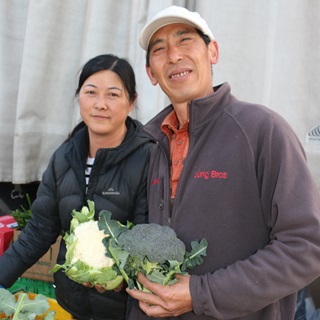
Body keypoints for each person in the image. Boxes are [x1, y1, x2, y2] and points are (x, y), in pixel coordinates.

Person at [126, 5, 320, 320]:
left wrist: (199, 294)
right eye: (159, 50)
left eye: (185, 40)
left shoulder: (263, 130)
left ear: (213, 51)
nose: (174, 56)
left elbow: (306, 247)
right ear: (150, 73)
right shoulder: (152, 145)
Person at [0, 54, 154, 320]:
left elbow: (148, 240)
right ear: (79, 96)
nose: (100, 104)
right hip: (74, 306)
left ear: (132, 102)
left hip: (127, 311)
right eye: (91, 92)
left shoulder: (149, 159)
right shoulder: (65, 157)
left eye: (113, 95)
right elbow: (39, 231)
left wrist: (121, 279)